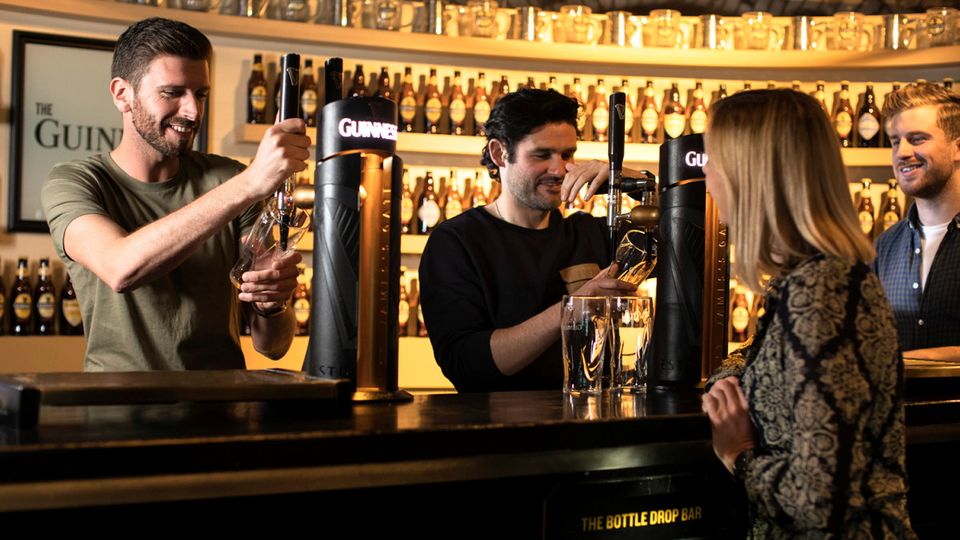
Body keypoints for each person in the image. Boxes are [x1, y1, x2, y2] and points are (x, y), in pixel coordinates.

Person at [700, 89, 915, 537]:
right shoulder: (806, 281)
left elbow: (822, 501)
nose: (708, 178)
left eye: (713, 160)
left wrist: (738, 454)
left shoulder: (821, 290)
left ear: (750, 174)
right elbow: (756, 357)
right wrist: (728, 378)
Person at [42, 18, 310, 371]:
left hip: (219, 412)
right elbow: (121, 268)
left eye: (200, 94)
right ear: (123, 94)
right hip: (119, 415)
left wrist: (270, 303)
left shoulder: (227, 178)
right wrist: (251, 183)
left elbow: (272, 345)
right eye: (172, 93)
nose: (193, 111)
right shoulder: (76, 182)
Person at [418, 88, 636, 392]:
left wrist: (631, 180)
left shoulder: (591, 232)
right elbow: (466, 365)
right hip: (502, 434)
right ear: (499, 154)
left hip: (592, 428)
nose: (559, 170)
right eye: (541, 155)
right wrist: (574, 306)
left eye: (567, 155)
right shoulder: (456, 242)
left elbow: (690, 244)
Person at [875, 82, 960, 361]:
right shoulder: (885, 247)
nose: (902, 152)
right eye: (895, 141)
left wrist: (907, 362)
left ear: (957, 147)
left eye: (918, 138)